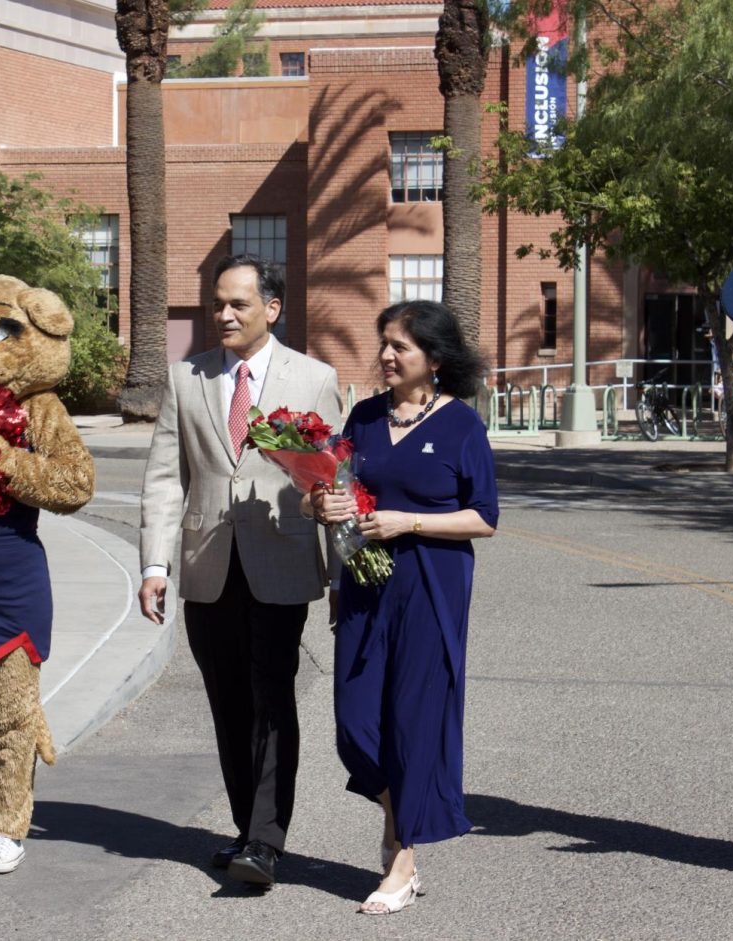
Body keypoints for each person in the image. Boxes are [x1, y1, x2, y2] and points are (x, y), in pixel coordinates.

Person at [138, 254, 341, 888]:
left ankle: (265, 839)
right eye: (217, 304)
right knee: (227, 701)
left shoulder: (314, 379)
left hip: (280, 560)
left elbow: (336, 481)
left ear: (271, 309)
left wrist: (341, 574)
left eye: (238, 305)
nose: (223, 315)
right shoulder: (186, 377)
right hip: (206, 565)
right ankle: (244, 826)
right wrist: (154, 564)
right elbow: (167, 479)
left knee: (272, 695)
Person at [310, 299, 498, 915]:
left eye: (401, 347)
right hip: (365, 586)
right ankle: (397, 826)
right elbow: (331, 486)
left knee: (413, 722)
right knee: (356, 722)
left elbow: (484, 519)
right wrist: (323, 505)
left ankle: (401, 857)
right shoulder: (363, 418)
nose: (387, 355)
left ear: (435, 360)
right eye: (384, 343)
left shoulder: (461, 426)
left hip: (431, 589)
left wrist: (410, 521)